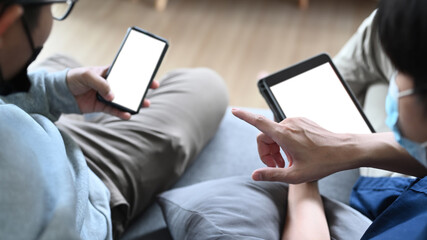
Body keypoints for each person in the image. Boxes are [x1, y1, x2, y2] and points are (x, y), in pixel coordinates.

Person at [0, 0, 228, 239]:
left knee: (60, 60)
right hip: (82, 180)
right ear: (8, 21)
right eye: (56, 5)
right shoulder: (14, 177)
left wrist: (54, 90)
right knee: (206, 85)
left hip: (31, 126)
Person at [233, 0, 427, 239]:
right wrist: (345, 146)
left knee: (377, 80)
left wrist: (302, 176)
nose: (396, 81)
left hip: (400, 193)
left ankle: (297, 105)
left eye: (401, 72)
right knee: (381, 29)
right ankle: (307, 103)